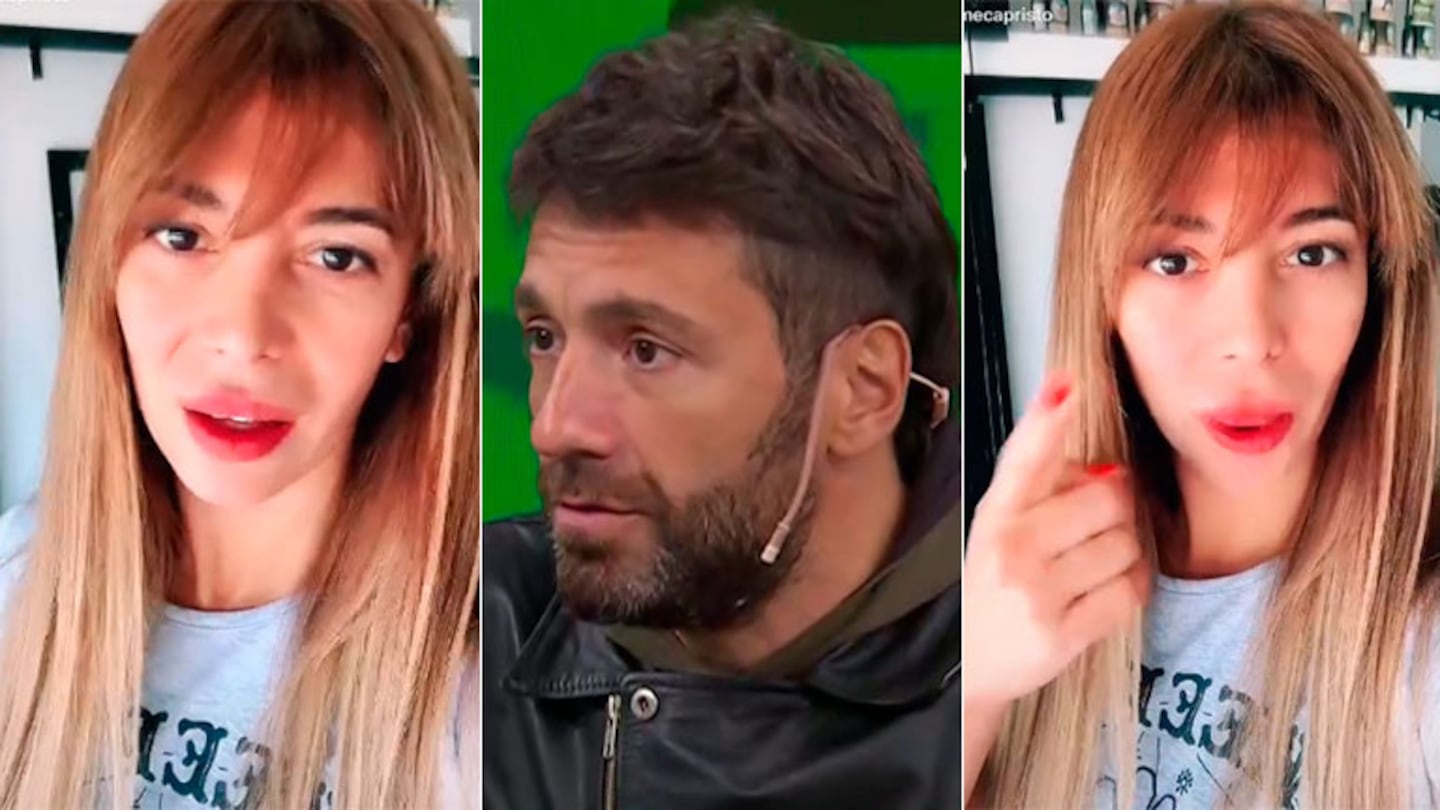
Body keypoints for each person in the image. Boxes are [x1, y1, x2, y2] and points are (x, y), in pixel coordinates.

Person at [0, 1, 479, 808]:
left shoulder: (473, 704)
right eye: (182, 236)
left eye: (336, 256)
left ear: (409, 310)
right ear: (110, 263)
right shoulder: (16, 582)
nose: (243, 337)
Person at [963, 3, 1440, 808]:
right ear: (1102, 295)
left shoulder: (1418, 647)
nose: (1249, 340)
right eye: (1176, 261)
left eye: (1312, 252)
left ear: (1380, 285)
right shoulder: (1019, 597)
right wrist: (973, 686)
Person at [481, 11, 961, 810]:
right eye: (544, 337)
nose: (554, 427)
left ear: (863, 389)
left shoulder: (1006, 686)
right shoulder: (474, 624)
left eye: (646, 350)